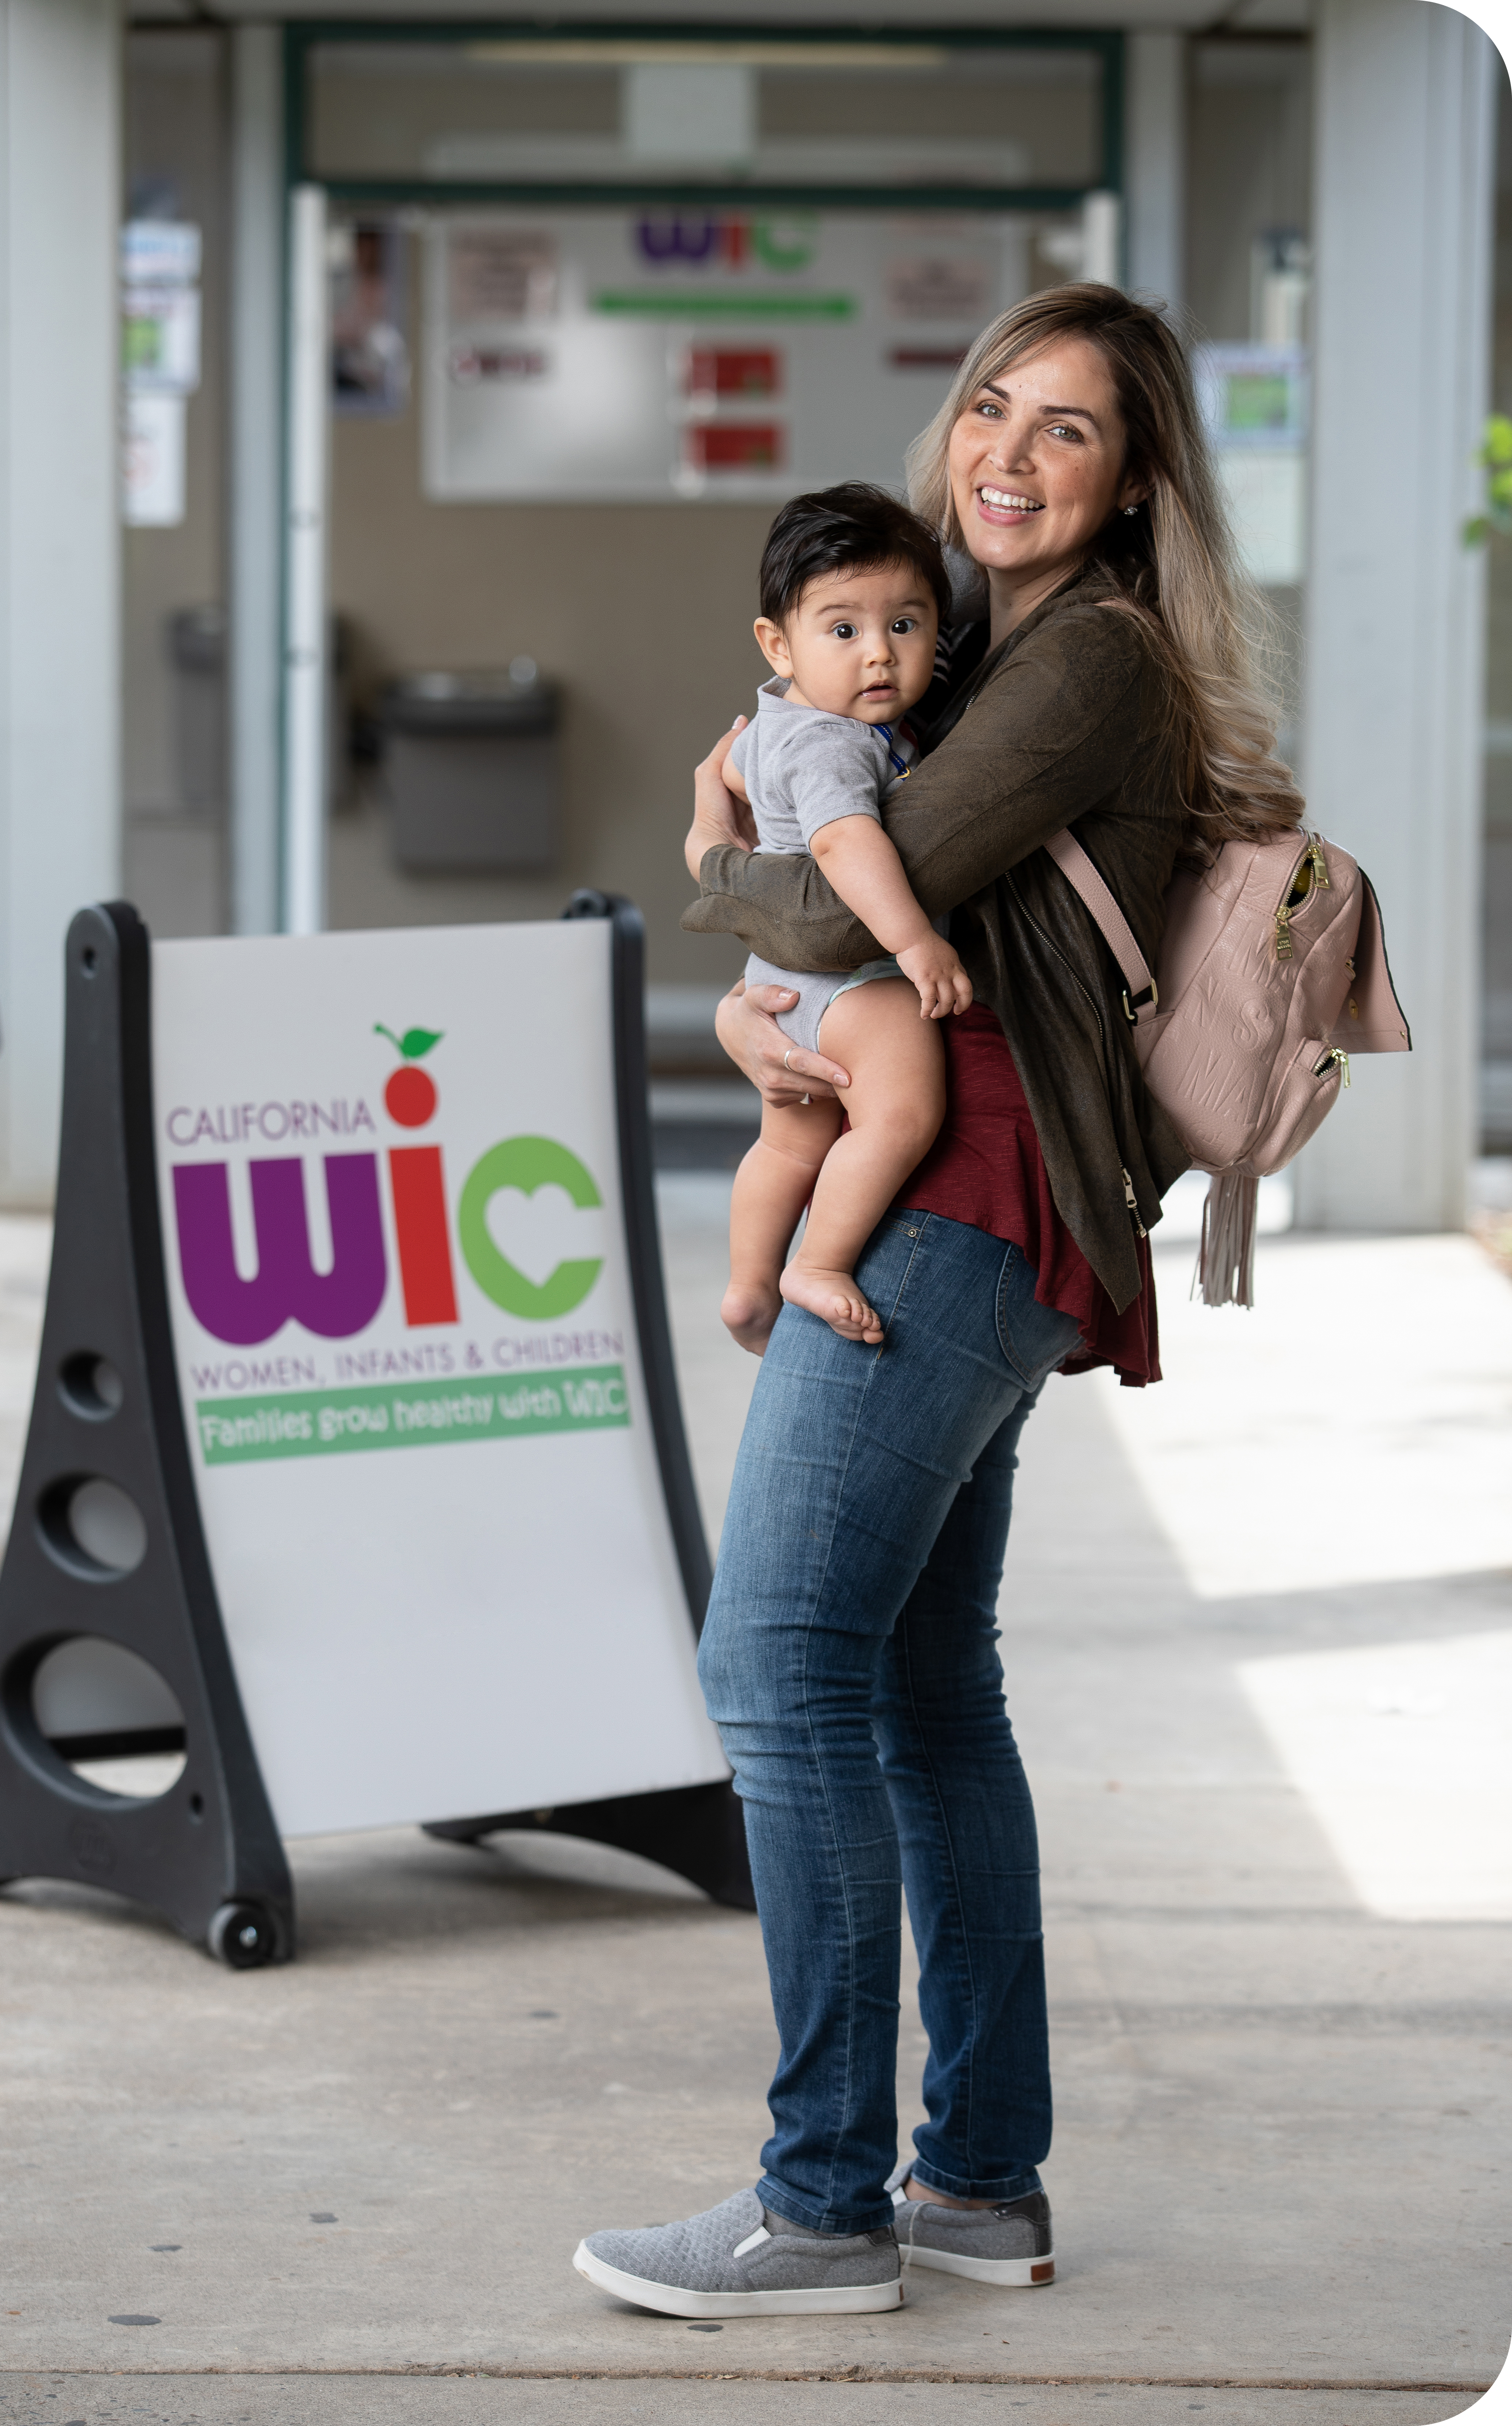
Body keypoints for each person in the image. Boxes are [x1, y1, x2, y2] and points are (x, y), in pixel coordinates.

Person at [572, 283, 1305, 2321]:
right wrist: (761, 994)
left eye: (1069, 427)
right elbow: (832, 954)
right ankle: (971, 2179)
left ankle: (819, 2200)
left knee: (779, 1655)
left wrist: (717, 856)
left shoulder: (1084, 669)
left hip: (953, 1199)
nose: (1009, 449)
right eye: (992, 402)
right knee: (917, 1686)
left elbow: (831, 896)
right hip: (982, 1198)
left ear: (1134, 473)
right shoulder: (957, 642)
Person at [717, 483, 972, 1356]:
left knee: (788, 1143)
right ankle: (815, 1264)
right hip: (855, 980)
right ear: (776, 644)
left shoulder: (777, 723)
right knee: (899, 1114)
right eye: (843, 630)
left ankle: (749, 1283)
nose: (878, 656)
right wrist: (913, 940)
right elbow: (841, 843)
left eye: (905, 625)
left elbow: (742, 801)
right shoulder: (829, 742)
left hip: (777, 983)